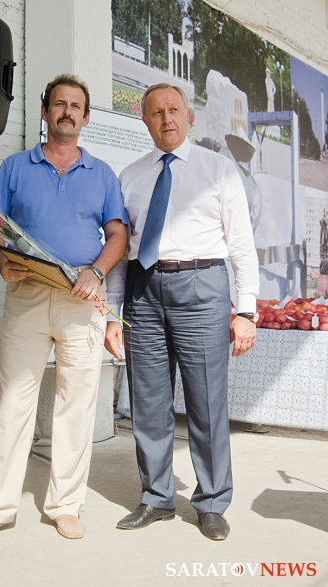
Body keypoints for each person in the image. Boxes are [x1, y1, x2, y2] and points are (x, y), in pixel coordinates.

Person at [0, 74, 127, 543]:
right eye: (59, 104)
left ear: (86, 117)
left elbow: (117, 234)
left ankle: (65, 506)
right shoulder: (15, 167)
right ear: (45, 112)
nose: (67, 112)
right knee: (13, 401)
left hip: (83, 297)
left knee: (76, 402)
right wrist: (0, 261)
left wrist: (96, 271)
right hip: (28, 294)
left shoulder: (102, 174)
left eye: (75, 106)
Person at [105, 83, 259, 541]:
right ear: (145, 120)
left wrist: (247, 311)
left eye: (174, 109)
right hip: (143, 292)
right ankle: (156, 497)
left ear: (189, 116)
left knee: (206, 401)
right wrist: (113, 313)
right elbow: (121, 252)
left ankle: (211, 502)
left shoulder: (219, 170)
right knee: (148, 401)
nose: (166, 118)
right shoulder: (130, 176)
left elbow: (241, 245)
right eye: (156, 112)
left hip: (202, 287)